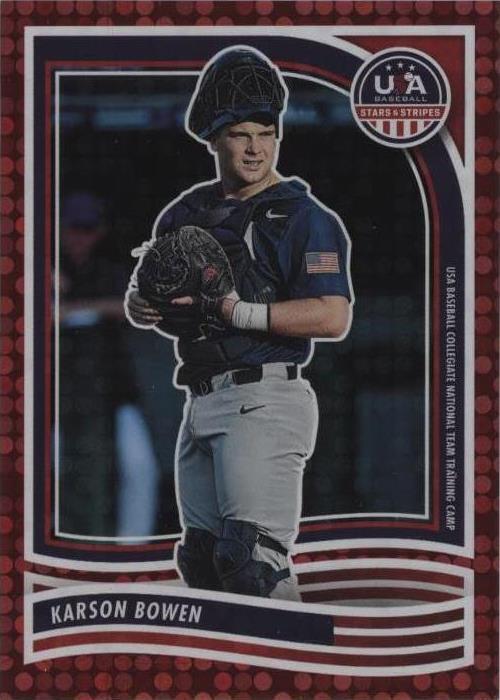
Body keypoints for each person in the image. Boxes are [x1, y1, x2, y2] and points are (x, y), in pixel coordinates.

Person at [125, 46, 353, 600]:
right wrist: (139, 303)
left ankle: (296, 653)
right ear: (212, 139)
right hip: (200, 397)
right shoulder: (184, 213)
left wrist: (237, 311)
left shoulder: (304, 216)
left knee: (254, 563)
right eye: (240, 134)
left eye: (266, 133)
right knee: (203, 562)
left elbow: (333, 315)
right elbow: (153, 289)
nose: (255, 147)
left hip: (265, 398)